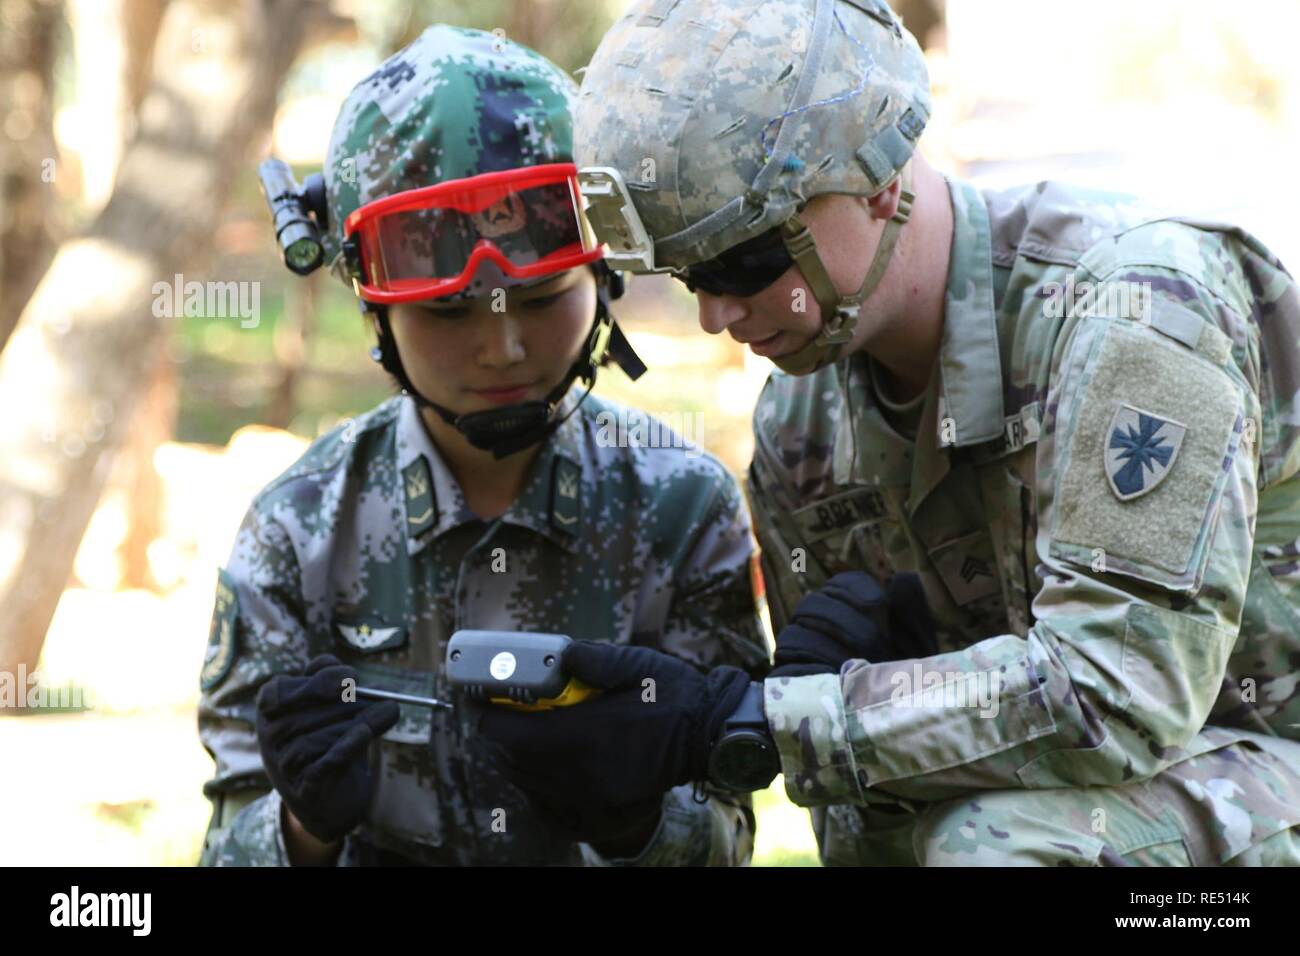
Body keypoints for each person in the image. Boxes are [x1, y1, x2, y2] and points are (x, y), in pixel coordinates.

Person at [475, 0, 1300, 866]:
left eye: (744, 260)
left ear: (879, 176)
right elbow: (858, 811)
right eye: (687, 275)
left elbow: (1117, 693)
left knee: (987, 848)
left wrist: (755, 718)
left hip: (1259, 774)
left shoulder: (1132, 310)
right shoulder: (804, 425)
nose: (717, 312)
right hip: (1115, 805)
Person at [196, 24, 769, 867]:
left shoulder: (684, 508)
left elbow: (730, 827)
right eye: (449, 312)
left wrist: (636, 827)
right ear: (375, 314)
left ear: (601, 279)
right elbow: (225, 844)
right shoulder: (300, 529)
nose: (502, 349)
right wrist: (301, 830)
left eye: (539, 299)